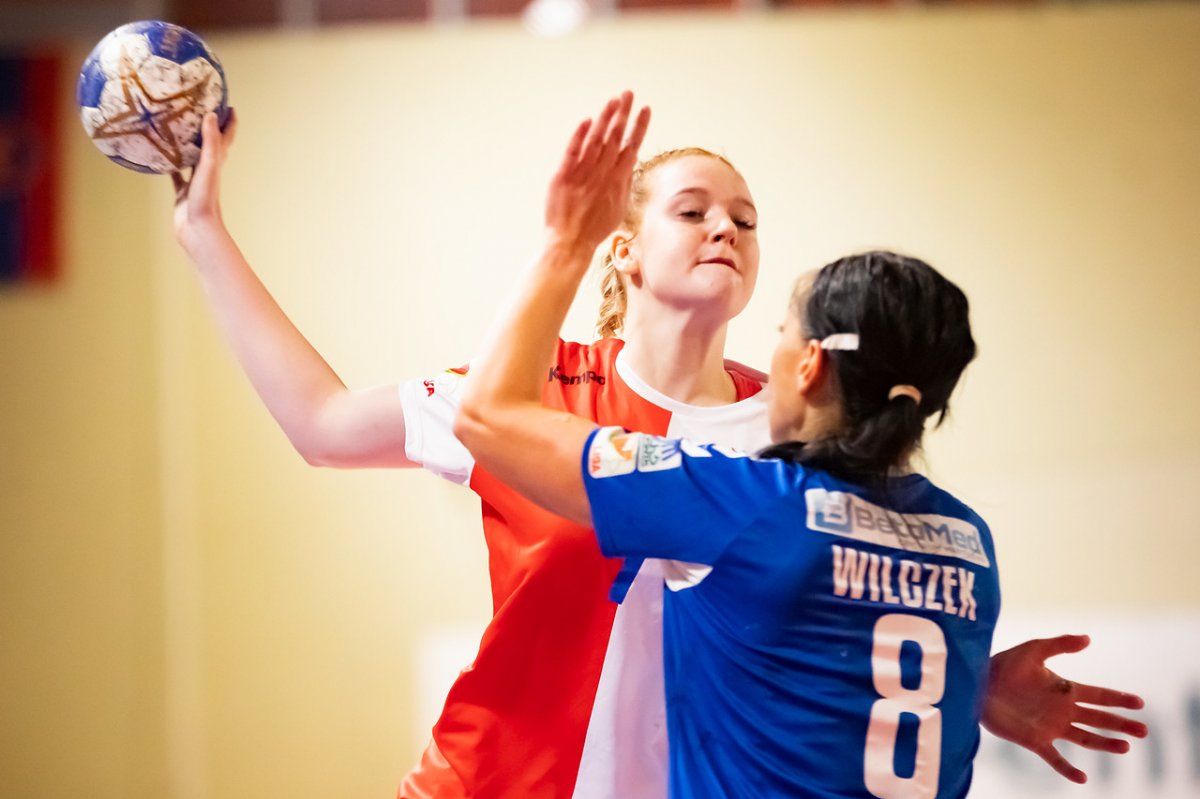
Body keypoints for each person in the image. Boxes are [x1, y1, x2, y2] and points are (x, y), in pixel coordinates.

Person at [172, 99, 1146, 799]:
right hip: (499, 780)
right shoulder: (530, 391)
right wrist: (204, 232)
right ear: (622, 246)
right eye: (692, 210)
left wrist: (962, 685)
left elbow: (862, 608)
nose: (726, 226)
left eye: (746, 220)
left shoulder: (799, 433)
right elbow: (321, 425)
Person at [456, 94, 996, 796]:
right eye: (693, 213)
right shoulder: (968, 541)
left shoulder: (746, 501)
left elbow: (489, 415)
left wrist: (567, 242)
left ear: (809, 366)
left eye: (781, 333)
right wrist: (985, 685)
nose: (725, 232)